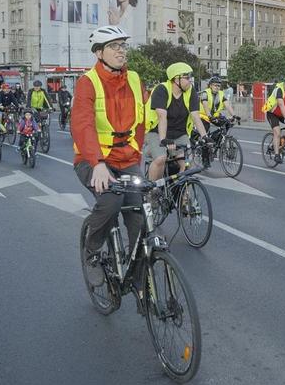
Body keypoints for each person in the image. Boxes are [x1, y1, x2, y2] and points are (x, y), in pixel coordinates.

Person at [71, 25, 145, 293]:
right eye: (114, 46)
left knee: (140, 214)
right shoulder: (87, 82)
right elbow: (82, 125)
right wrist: (97, 163)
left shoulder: (135, 79)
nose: (121, 51)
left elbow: (141, 120)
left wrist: (138, 155)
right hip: (92, 160)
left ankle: (138, 280)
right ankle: (92, 251)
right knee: (112, 201)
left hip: (127, 159)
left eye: (123, 46)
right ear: (99, 52)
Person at [145, 61, 208, 181]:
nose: (190, 80)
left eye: (190, 77)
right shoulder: (162, 89)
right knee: (160, 159)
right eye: (186, 77)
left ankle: (183, 196)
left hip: (179, 133)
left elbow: (195, 116)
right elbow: (161, 116)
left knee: (188, 164)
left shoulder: (191, 92)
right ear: (175, 79)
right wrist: (163, 139)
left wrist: (204, 137)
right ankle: (153, 190)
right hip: (157, 132)